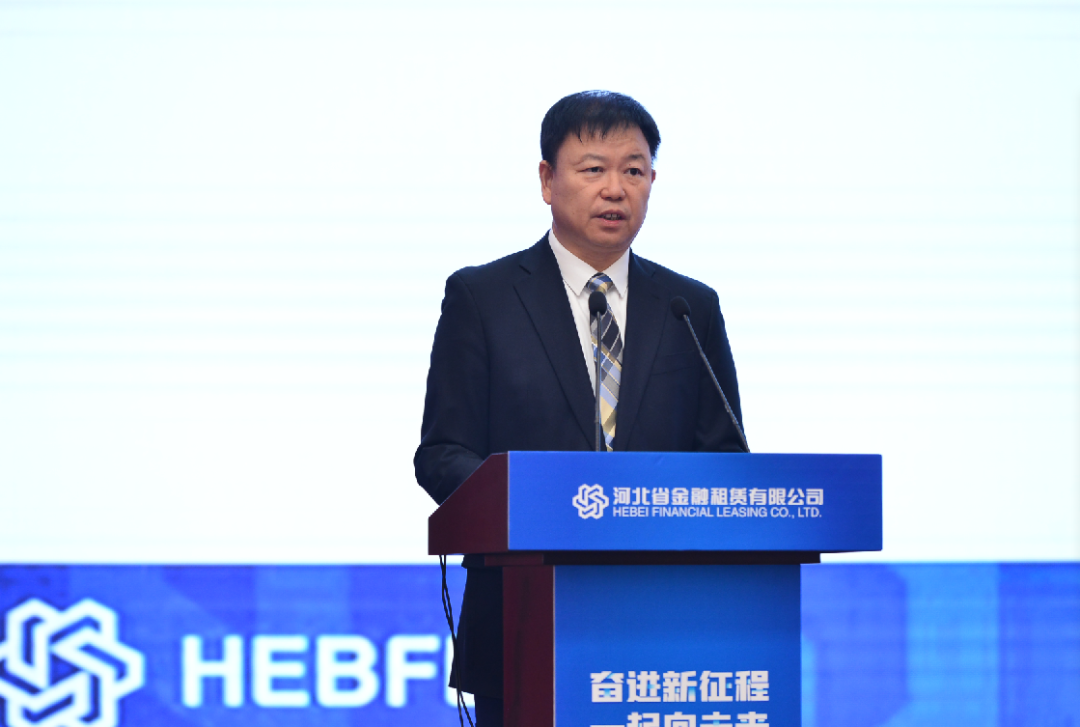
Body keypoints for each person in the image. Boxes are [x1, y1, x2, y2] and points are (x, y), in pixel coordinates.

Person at [414, 90, 745, 726]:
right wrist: (538, 507)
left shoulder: (690, 307)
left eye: (634, 170)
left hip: (667, 622)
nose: (615, 189)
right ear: (547, 180)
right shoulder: (483, 297)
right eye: (593, 169)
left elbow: (725, 455)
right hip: (522, 616)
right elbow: (442, 454)